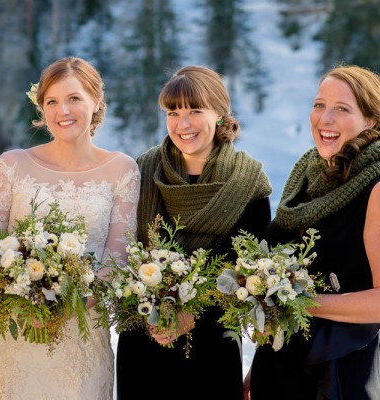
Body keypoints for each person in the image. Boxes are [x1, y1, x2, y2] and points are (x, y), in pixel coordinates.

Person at [0, 56, 140, 399]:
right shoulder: (12, 164)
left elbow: (117, 260)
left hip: (80, 332)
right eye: (52, 101)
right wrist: (23, 302)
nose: (62, 110)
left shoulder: (122, 170)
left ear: (96, 101)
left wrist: (67, 306)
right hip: (14, 331)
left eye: (74, 98)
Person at [115, 65, 273, 399]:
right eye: (173, 112)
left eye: (195, 111)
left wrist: (190, 312)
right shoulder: (141, 172)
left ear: (219, 115)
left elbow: (246, 275)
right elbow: (122, 253)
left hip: (211, 349)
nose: (182, 124)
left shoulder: (248, 184)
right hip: (144, 340)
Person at [247, 65, 380, 399]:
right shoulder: (306, 176)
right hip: (281, 363)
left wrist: (302, 302)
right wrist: (257, 368)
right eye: (319, 105)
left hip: (339, 368)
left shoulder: (376, 186)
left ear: (372, 121)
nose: (325, 119)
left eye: (342, 109)